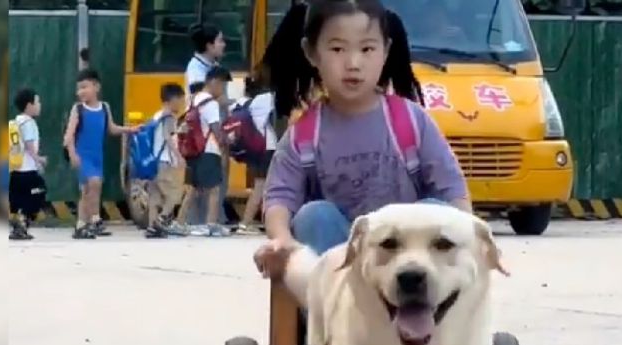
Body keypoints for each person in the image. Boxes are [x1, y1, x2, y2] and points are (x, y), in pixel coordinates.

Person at [253, 0, 471, 278]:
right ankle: (339, 314)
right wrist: (281, 239)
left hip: (408, 270)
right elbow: (280, 197)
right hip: (341, 275)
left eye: (367, 49)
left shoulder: (411, 122)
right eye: (337, 49)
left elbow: (451, 187)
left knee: (438, 212)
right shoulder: (304, 136)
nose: (353, 63)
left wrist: (470, 238)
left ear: (385, 51)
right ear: (311, 52)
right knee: (313, 216)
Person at [63, 68, 138, 240]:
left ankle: (87, 223)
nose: (80, 92)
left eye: (84, 87)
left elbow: (111, 128)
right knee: (93, 184)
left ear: (96, 87)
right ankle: (89, 221)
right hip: (83, 156)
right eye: (78, 88)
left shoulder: (105, 107)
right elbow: (68, 136)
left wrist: (130, 130)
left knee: (90, 190)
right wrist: (73, 154)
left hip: (98, 156)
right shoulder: (78, 109)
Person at [177, 66, 233, 237]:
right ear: (214, 82)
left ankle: (178, 222)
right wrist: (227, 140)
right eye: (222, 86)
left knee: (194, 187)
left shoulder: (194, 99)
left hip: (194, 150)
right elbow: (216, 130)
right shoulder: (211, 103)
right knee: (215, 188)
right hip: (209, 150)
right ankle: (211, 224)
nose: (222, 90)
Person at [231, 73, 276, 235]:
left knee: (260, 185)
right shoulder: (268, 98)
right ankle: (246, 223)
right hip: (267, 147)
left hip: (253, 149)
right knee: (263, 186)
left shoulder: (243, 102)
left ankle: (253, 221)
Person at [145, 82, 188, 239]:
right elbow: (167, 137)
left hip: (153, 162)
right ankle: (161, 221)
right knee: (174, 194)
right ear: (173, 100)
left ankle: (151, 227)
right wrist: (178, 156)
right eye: (181, 100)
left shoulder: (156, 115)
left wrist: (179, 130)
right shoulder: (169, 116)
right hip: (164, 161)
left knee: (154, 197)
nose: (182, 104)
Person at [8, 88, 47, 241]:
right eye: (37, 102)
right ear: (29, 105)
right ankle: (23, 223)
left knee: (18, 200)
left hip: (15, 170)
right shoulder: (29, 123)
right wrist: (39, 159)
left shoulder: (16, 121)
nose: (40, 105)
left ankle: (18, 227)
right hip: (28, 170)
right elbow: (29, 143)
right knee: (39, 193)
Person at [185, 23, 226, 94]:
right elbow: (202, 100)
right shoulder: (195, 70)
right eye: (220, 41)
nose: (224, 45)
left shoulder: (215, 65)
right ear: (209, 46)